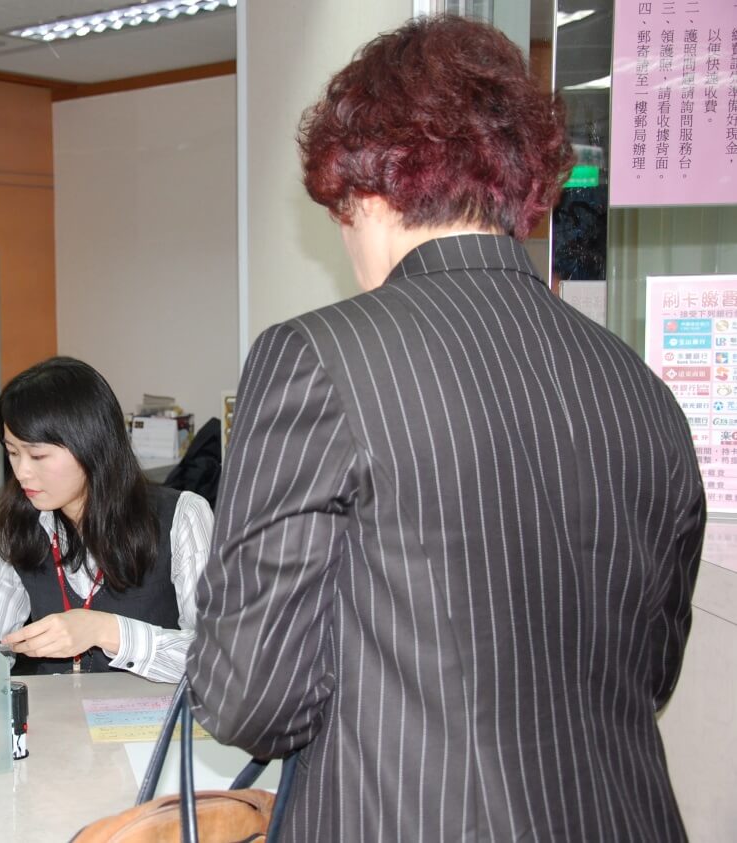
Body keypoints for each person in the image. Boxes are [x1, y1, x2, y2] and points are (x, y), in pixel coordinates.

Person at [187, 15, 704, 842]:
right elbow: (647, 673)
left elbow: (252, 697)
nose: (347, 241)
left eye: (340, 214)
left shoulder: (316, 356)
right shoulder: (640, 390)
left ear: (368, 186)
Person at [0, 356, 213, 682]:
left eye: (38, 455)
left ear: (91, 445)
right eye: (13, 452)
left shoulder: (183, 516)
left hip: (151, 724)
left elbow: (215, 657)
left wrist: (105, 630)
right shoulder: (16, 519)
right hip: (58, 724)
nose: (22, 472)